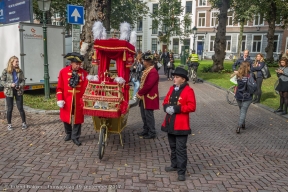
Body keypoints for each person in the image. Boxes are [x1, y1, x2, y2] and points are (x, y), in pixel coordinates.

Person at [161, 67, 196, 181]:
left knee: (180, 149)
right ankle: (174, 165)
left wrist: (176, 108)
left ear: (183, 79)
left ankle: (181, 172)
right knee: (173, 146)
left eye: (176, 77)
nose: (174, 79)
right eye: (174, 77)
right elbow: (165, 101)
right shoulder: (172, 89)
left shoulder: (189, 91)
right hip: (170, 122)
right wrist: (167, 108)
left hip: (181, 124)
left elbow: (192, 106)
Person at [56, 52, 88, 146]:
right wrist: (60, 99)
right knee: (66, 118)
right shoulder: (63, 72)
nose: (78, 66)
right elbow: (59, 88)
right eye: (77, 64)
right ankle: (69, 133)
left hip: (78, 100)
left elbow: (86, 87)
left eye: (80, 64)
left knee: (78, 119)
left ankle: (75, 137)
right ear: (72, 63)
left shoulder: (84, 73)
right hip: (67, 99)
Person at [136, 52, 159, 139]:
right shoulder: (147, 70)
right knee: (143, 115)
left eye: (144, 61)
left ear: (148, 62)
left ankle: (152, 132)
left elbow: (148, 85)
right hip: (144, 97)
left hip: (149, 97)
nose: (143, 62)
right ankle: (146, 129)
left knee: (149, 115)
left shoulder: (153, 72)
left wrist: (140, 92)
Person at [1, 56, 27, 130]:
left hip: (18, 91)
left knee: (20, 108)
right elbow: (2, 81)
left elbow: (23, 81)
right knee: (10, 108)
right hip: (9, 91)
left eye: (18, 61)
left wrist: (20, 86)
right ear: (11, 62)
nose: (17, 63)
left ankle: (24, 123)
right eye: (16, 62)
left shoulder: (20, 71)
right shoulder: (5, 71)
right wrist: (10, 85)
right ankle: (9, 124)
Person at [234, 61, 256, 134]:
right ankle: (239, 126)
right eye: (249, 66)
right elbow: (254, 84)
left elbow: (235, 84)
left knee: (241, 111)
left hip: (239, 96)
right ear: (247, 67)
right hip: (247, 96)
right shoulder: (251, 75)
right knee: (243, 111)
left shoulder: (238, 75)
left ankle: (242, 124)